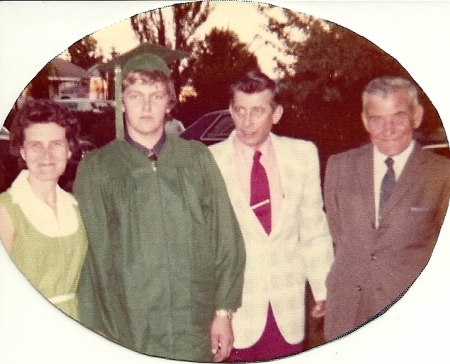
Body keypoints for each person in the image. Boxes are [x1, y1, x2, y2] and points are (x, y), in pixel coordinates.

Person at [72, 53, 246, 362]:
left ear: (169, 103)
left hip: (194, 321)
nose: (146, 105)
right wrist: (94, 326)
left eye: (156, 96)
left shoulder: (196, 158)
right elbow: (88, 255)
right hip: (128, 326)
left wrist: (223, 312)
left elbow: (226, 237)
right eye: (135, 96)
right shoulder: (98, 167)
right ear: (122, 102)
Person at [209, 70, 334, 361]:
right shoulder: (210, 160)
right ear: (230, 111)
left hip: (286, 309)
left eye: (258, 111)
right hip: (233, 312)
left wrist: (323, 288)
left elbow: (313, 229)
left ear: (276, 114)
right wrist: (218, 311)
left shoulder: (302, 155)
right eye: (239, 110)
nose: (247, 122)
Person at [323, 76, 450, 341]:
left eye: (398, 117)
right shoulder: (339, 166)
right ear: (364, 120)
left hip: (409, 316)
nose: (388, 128)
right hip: (346, 314)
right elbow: (338, 235)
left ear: (417, 116)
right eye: (377, 119)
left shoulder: (441, 174)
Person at [0, 99, 88, 321]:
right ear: (22, 151)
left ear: (70, 150)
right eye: (35, 145)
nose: (46, 154)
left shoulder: (77, 207)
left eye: (56, 144)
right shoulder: (6, 210)